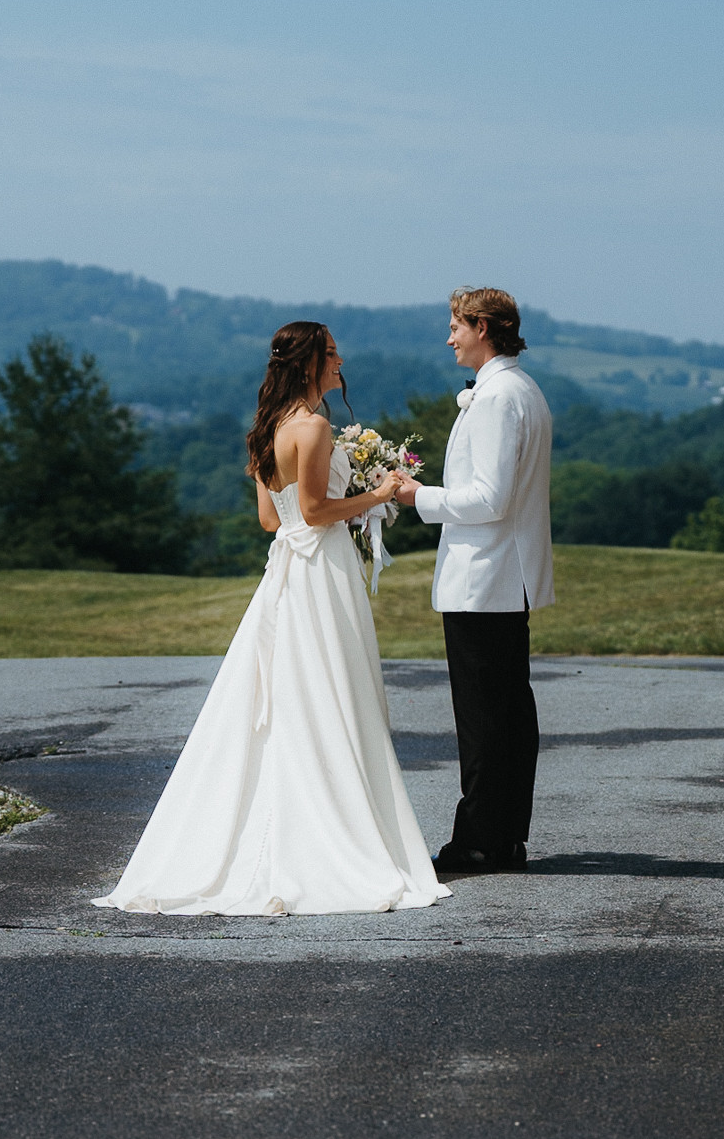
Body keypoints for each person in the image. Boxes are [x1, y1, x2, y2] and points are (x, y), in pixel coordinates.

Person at [93, 320, 451, 916]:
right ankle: (337, 840)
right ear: (309, 363)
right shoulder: (310, 427)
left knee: (298, 694)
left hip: (288, 570)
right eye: (332, 353)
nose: (341, 362)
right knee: (330, 692)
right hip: (320, 571)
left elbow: (271, 519)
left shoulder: (269, 429)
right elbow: (313, 512)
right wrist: (379, 493)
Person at [395, 287, 554, 873]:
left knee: (486, 720)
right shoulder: (522, 390)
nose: (450, 337)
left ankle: (481, 841)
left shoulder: (496, 399)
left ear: (483, 327)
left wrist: (418, 496)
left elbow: (490, 497)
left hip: (485, 578)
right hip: (504, 577)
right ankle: (504, 836)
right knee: (509, 714)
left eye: (456, 326)